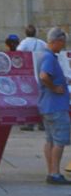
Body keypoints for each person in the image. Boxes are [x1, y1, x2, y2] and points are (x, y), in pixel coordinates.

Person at [38, 27, 70, 184]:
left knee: (50, 140)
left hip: (48, 106)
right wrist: (55, 87)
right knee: (59, 140)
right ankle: (55, 173)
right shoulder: (49, 58)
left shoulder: (46, 56)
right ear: (56, 41)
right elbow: (44, 76)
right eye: (63, 42)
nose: (63, 45)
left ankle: (51, 171)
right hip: (56, 106)